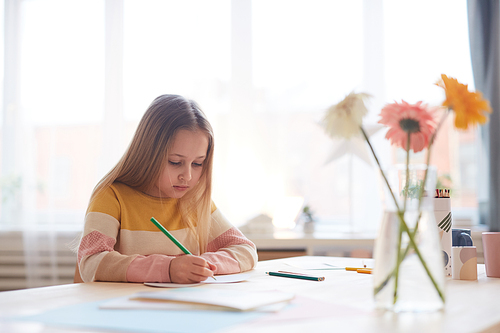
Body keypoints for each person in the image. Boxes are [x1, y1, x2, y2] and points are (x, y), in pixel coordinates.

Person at [77, 94, 258, 284]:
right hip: (129, 309)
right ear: (148, 154)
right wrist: (168, 269)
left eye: (197, 163)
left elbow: (245, 250)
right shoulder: (111, 196)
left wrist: (202, 265)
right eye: (175, 162)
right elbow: (91, 262)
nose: (187, 176)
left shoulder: (195, 200)